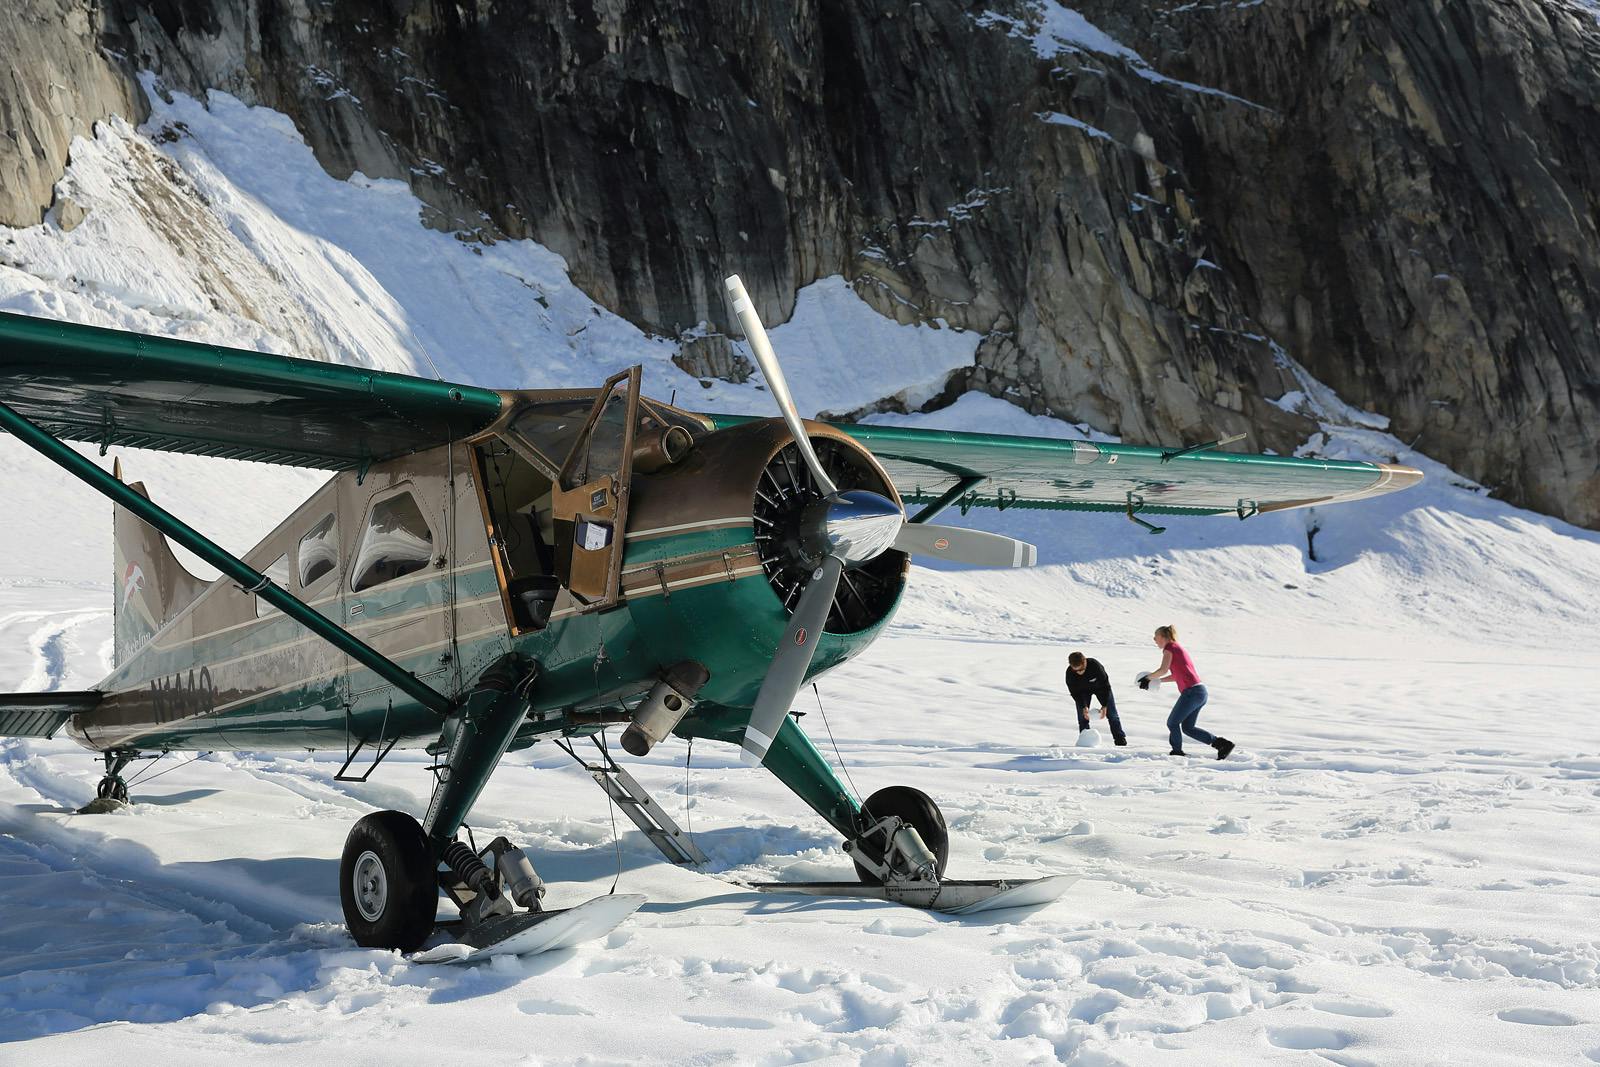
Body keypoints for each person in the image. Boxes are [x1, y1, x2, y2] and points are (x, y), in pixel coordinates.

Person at [1140, 625, 1234, 760]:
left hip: (1192, 692)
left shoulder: (1169, 648)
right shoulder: (1177, 648)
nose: (1154, 639)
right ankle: (1222, 745)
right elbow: (1175, 675)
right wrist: (1157, 681)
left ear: (1163, 637)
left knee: (1172, 723)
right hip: (1200, 692)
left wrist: (1148, 678)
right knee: (1188, 728)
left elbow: (1163, 669)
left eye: (1156, 636)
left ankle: (1177, 752)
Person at [1066, 651, 1126, 746]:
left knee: (1112, 715)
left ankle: (1120, 740)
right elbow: (1075, 693)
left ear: (1085, 662)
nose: (1079, 672)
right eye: (1076, 670)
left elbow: (1106, 686)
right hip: (1082, 692)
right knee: (1082, 717)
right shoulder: (1070, 674)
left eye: (1081, 669)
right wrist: (1084, 706)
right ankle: (1085, 742)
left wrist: (1105, 705)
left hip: (1101, 689)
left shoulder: (1095, 665)